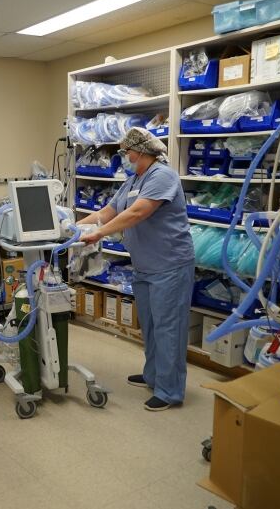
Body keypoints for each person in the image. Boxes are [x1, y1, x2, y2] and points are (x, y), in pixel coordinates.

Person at [78, 127, 195, 411]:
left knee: (169, 328)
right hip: (145, 265)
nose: (125, 156)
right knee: (152, 325)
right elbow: (109, 211)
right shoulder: (133, 181)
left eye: (127, 151)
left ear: (141, 151)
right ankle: (153, 374)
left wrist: (99, 233)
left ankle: (169, 391)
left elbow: (138, 212)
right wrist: (73, 227)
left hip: (170, 265)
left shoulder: (163, 175)